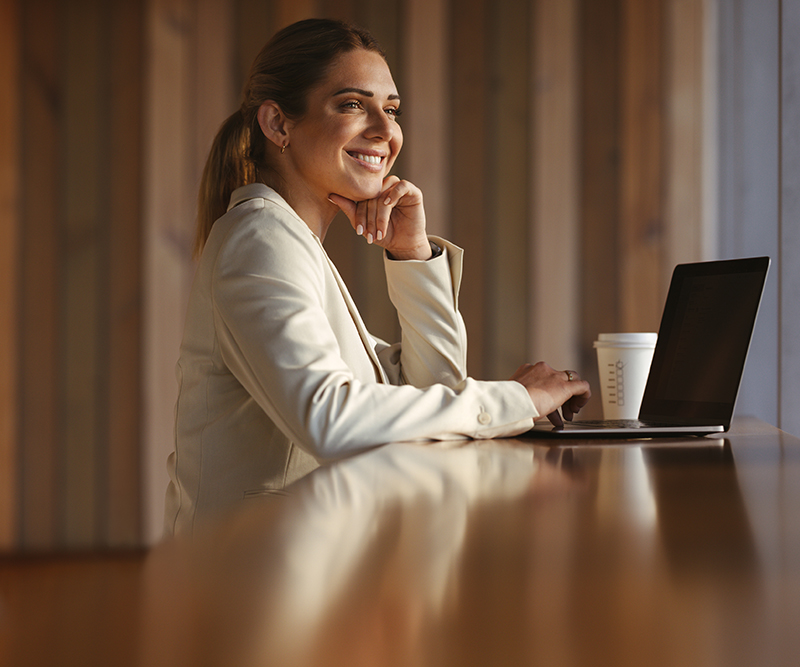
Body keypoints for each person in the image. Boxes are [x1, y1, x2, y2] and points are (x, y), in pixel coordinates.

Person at [164, 18, 590, 537]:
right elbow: (332, 419)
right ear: (278, 124)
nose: (386, 132)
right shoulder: (260, 239)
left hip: (300, 575)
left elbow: (434, 388)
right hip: (247, 590)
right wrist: (517, 401)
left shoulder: (290, 243)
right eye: (351, 104)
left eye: (390, 109)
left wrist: (414, 258)